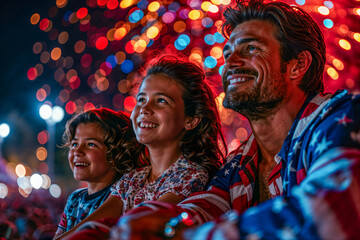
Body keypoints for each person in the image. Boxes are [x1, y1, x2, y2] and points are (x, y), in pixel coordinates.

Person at [111, 0, 360, 239]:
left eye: (251, 48)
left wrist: (189, 236)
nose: (229, 63)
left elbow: (334, 209)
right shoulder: (239, 164)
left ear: (298, 65)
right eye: (228, 53)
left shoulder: (342, 118)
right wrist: (145, 224)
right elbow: (201, 209)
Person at [54, 55, 227, 239]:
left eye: (161, 101)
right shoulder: (132, 179)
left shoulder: (190, 176)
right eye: (141, 99)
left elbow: (136, 227)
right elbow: (91, 226)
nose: (144, 109)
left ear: (191, 120)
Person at [54, 107, 146, 238]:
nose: (77, 151)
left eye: (90, 144)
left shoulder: (125, 195)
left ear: (116, 152)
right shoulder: (75, 199)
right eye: (74, 144)